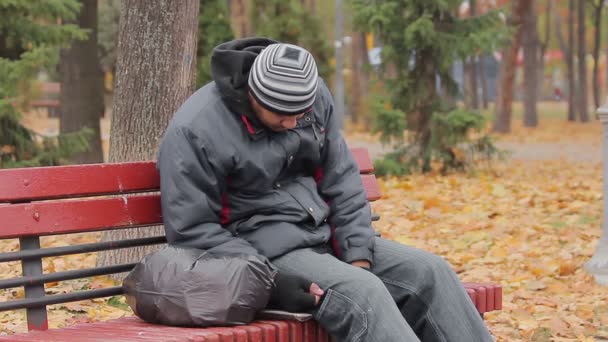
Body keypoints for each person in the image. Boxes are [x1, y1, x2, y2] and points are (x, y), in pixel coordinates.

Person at [157, 37, 493, 342]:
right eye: (280, 114)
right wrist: (269, 281)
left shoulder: (314, 95)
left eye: (299, 114)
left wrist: (358, 254)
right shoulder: (195, 130)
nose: (291, 123)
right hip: (262, 250)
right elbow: (193, 232)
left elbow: (341, 178)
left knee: (431, 272)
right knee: (365, 293)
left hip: (321, 235)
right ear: (252, 95)